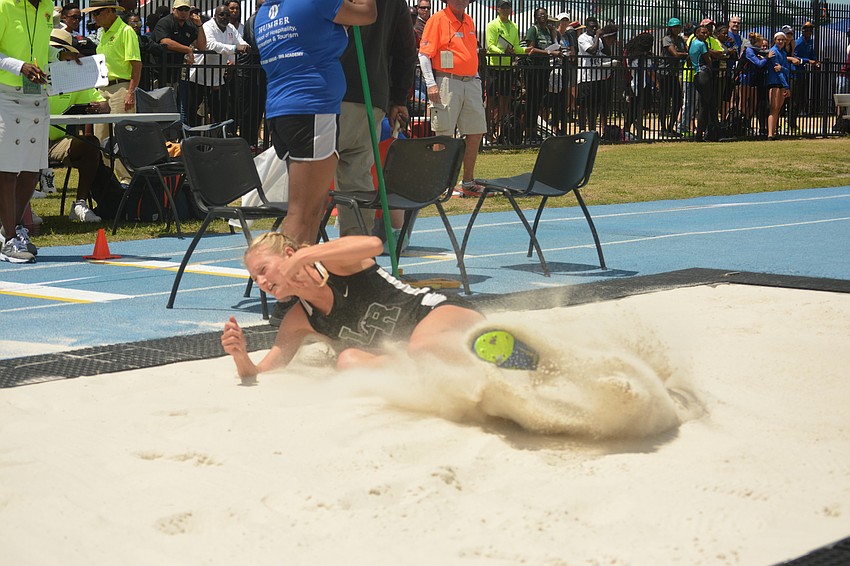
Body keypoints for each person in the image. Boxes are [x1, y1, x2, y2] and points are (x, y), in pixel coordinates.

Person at [221, 233, 486, 379]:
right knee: (347, 362)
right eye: (256, 279)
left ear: (289, 254)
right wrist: (240, 355)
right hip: (409, 352)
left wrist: (305, 254)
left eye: (264, 270)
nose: (262, 282)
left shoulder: (335, 266)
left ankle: (495, 355)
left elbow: (374, 244)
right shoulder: (300, 318)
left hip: (438, 312)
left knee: (423, 346)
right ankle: (437, 383)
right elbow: (263, 370)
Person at [255, 0, 376, 247]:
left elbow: (317, 36)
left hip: (283, 111)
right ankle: (291, 280)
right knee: (305, 212)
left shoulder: (263, 14)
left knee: (308, 208)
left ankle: (300, 276)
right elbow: (367, 14)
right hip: (312, 108)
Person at [0, 0, 79, 262]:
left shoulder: (46, 7)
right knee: (8, 169)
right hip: (6, 95)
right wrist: (19, 66)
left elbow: (40, 48)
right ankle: (10, 239)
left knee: (32, 168)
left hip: (36, 95)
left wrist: (59, 56)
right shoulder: (4, 5)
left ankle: (9, 230)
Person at [334, 0, 416, 237]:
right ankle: (357, 257)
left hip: (329, 92)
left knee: (312, 178)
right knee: (357, 178)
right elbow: (406, 50)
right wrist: (398, 97)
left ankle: (303, 257)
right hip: (370, 95)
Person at [418, 0, 487, 197]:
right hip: (447, 81)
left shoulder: (470, 21)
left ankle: (468, 182)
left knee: (476, 132)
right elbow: (424, 55)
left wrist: (477, 79)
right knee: (443, 133)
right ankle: (441, 184)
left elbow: (470, 54)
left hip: (471, 81)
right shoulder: (437, 19)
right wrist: (431, 83)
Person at [47, 28, 111, 223]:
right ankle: (24, 209)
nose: (59, 56)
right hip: (27, 139)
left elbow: (103, 103)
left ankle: (80, 204)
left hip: (56, 142)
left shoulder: (73, 75)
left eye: (63, 51)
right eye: (55, 51)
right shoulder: (34, 71)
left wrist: (101, 106)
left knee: (90, 143)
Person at [84, 0, 141, 185]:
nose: (94, 17)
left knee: (120, 137)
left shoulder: (126, 31)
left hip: (120, 88)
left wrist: (131, 92)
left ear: (110, 11)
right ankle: (109, 181)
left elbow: (136, 64)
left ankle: (126, 180)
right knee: (101, 138)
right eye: (92, 13)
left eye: (97, 12)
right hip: (102, 89)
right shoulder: (103, 33)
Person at [186, 4, 248, 128]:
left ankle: (217, 138)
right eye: (221, 15)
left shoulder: (230, 28)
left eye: (227, 15)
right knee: (192, 109)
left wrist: (245, 46)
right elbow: (211, 45)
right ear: (215, 16)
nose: (225, 17)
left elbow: (241, 42)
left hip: (217, 77)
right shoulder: (208, 26)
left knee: (218, 111)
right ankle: (189, 136)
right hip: (199, 75)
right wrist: (235, 48)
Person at [152, 0, 207, 124]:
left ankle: (176, 136)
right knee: (161, 106)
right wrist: (187, 49)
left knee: (180, 107)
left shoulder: (190, 25)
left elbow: (202, 46)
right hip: (160, 72)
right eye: (180, 9)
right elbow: (165, 41)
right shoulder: (165, 22)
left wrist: (199, 25)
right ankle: (162, 137)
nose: (183, 12)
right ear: (173, 10)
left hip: (179, 74)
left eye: (186, 10)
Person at [484, 0, 525, 144]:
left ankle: (500, 132)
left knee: (505, 102)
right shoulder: (492, 25)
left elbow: (517, 47)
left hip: (507, 69)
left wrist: (526, 51)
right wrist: (504, 51)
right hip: (493, 68)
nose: (506, 9)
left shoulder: (514, 26)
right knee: (489, 102)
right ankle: (486, 132)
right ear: (498, 9)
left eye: (508, 7)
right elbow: (490, 46)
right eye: (504, 7)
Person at [523, 7, 558, 143]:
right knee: (531, 101)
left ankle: (534, 131)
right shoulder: (534, 30)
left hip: (545, 69)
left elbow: (554, 45)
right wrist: (549, 53)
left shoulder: (548, 30)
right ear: (536, 17)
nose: (543, 16)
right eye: (540, 15)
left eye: (545, 14)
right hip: (534, 69)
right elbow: (530, 49)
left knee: (538, 101)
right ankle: (528, 131)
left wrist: (554, 34)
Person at [737, 32, 772, 133]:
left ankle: (745, 122)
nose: (762, 45)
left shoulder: (757, 50)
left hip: (753, 79)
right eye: (761, 42)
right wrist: (767, 57)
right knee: (743, 103)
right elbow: (759, 64)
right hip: (745, 79)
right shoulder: (749, 50)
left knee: (753, 104)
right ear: (756, 42)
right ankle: (738, 123)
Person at [658, 18, 687, 138]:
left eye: (678, 26)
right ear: (670, 28)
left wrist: (687, 52)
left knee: (677, 101)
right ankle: (663, 128)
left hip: (674, 74)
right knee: (665, 102)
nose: (676, 29)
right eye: (674, 27)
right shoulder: (666, 39)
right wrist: (687, 55)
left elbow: (686, 49)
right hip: (664, 74)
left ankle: (671, 127)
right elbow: (674, 54)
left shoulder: (680, 39)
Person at [788, 21, 819, 132]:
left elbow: (811, 54)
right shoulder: (799, 42)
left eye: (810, 30)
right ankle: (790, 123)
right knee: (794, 100)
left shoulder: (809, 42)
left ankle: (793, 123)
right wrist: (808, 61)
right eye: (806, 30)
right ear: (803, 31)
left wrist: (815, 61)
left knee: (800, 99)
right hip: (795, 73)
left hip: (802, 73)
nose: (809, 32)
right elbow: (794, 57)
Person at [766, 31, 793, 140]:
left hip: (782, 83)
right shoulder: (773, 51)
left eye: (782, 40)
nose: (780, 41)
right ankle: (770, 134)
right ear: (775, 40)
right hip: (774, 83)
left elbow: (786, 70)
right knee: (773, 109)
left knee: (778, 109)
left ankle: (774, 132)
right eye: (778, 40)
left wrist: (782, 68)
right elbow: (778, 71)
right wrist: (786, 86)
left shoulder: (784, 53)